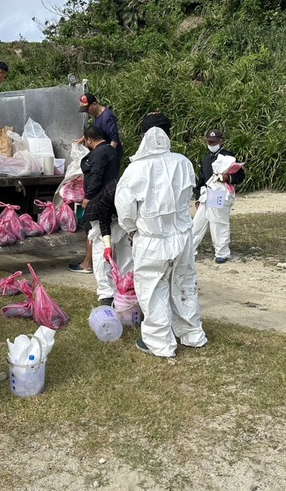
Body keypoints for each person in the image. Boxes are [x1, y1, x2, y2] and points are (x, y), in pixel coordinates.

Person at [115, 112, 207, 357]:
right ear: (168, 134)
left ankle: (159, 342)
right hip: (182, 237)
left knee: (153, 288)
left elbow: (124, 208)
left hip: (152, 240)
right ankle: (192, 334)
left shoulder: (136, 169)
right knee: (184, 284)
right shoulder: (183, 162)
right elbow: (187, 195)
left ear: (144, 136)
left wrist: (132, 230)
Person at [69, 126, 120, 274]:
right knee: (106, 230)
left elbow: (96, 176)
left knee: (92, 230)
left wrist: (88, 196)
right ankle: (108, 263)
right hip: (111, 195)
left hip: (98, 196)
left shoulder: (98, 153)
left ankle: (87, 264)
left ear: (89, 140)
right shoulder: (112, 150)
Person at [192, 129, 246, 263]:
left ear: (221, 141)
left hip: (218, 192)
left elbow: (240, 176)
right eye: (209, 142)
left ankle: (222, 252)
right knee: (197, 223)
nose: (211, 144)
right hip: (206, 193)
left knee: (218, 222)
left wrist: (228, 177)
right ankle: (189, 250)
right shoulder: (206, 158)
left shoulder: (228, 157)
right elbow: (202, 179)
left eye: (214, 142)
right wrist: (198, 197)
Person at [83, 178, 133, 307]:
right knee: (102, 256)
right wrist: (107, 246)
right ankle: (106, 294)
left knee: (126, 251)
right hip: (99, 216)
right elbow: (104, 221)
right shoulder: (111, 190)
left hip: (122, 218)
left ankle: (125, 288)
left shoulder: (139, 191)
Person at [79, 92, 123, 161]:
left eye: (87, 109)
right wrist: (83, 138)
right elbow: (96, 129)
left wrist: (108, 155)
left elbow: (114, 138)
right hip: (103, 150)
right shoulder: (96, 114)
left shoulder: (107, 117)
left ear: (94, 104)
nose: (87, 111)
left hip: (111, 152)